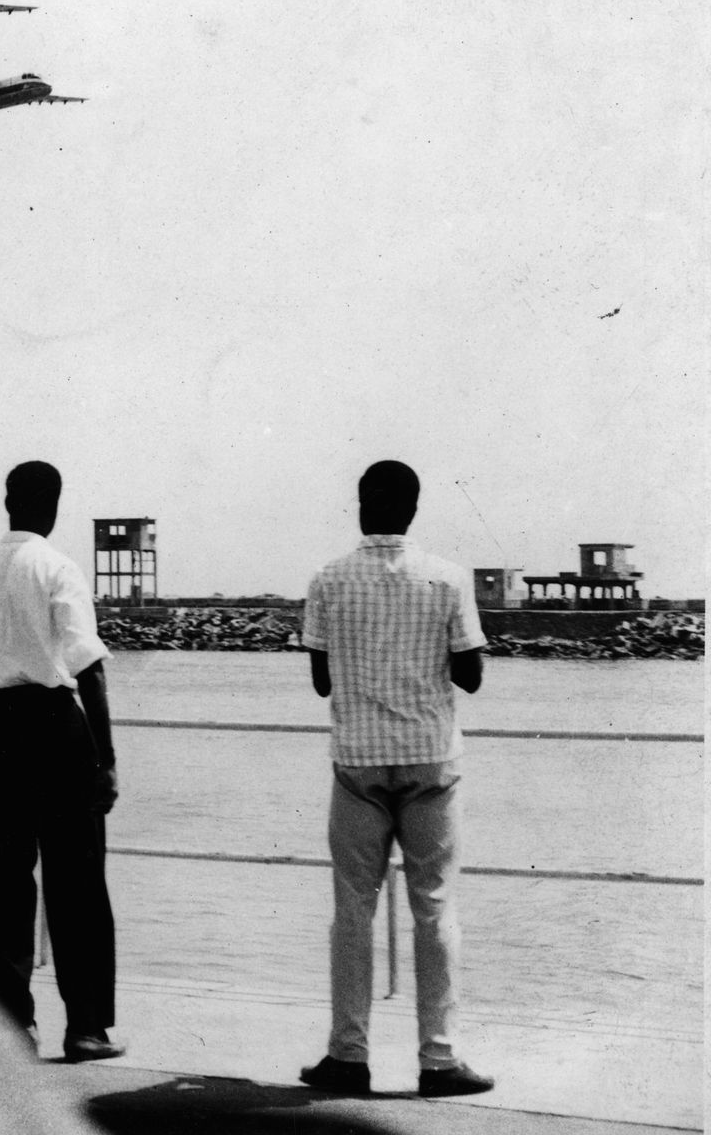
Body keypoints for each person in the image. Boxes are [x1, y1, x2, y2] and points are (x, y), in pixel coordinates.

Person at [299, 460, 495, 1098]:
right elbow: (471, 676)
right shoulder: (448, 578)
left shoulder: (328, 579)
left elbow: (321, 680)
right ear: (412, 510)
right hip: (430, 761)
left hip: (358, 761)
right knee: (434, 909)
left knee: (353, 912)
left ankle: (348, 1056)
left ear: (361, 505)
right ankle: (440, 1060)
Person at [0, 461, 121, 1062]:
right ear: (53, 505)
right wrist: (106, 759)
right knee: (77, 882)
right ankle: (86, 1027)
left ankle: (9, 1031)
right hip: (56, 729)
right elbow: (88, 667)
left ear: (8, 502)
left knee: (2, 885)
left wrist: (1, 719)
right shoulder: (57, 567)